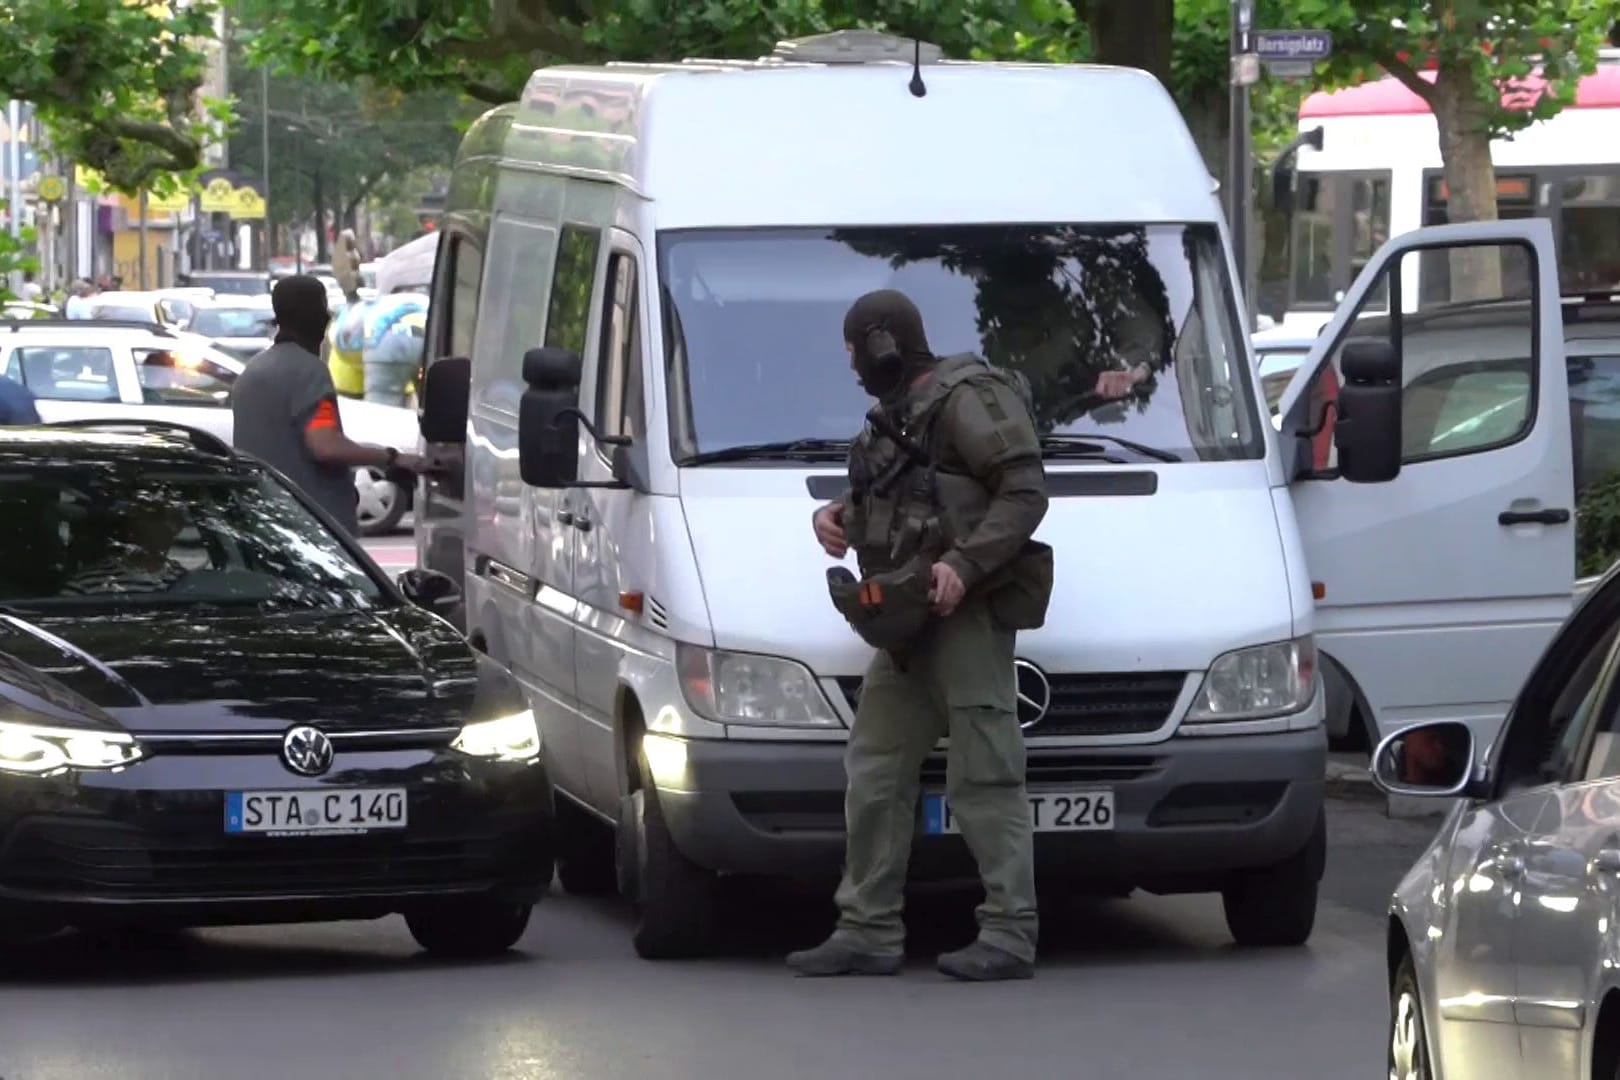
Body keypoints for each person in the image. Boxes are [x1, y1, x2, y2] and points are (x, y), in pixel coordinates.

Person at [787, 289, 1051, 982]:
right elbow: (903, 492)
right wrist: (836, 517)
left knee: (986, 777)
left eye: (854, 353)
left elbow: (1024, 491)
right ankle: (867, 928)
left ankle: (1010, 932)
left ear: (880, 343)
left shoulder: (969, 397)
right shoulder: (894, 419)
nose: (852, 370)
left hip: (965, 618)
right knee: (874, 771)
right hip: (904, 623)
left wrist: (963, 566)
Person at [232, 275, 426, 537]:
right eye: (322, 308)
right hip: (312, 529)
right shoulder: (309, 372)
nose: (328, 317)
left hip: (266, 520)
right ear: (311, 316)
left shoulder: (254, 370)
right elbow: (325, 445)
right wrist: (391, 458)